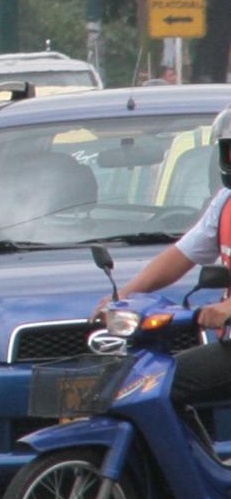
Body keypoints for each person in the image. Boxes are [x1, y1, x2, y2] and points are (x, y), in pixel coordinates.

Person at [94, 106, 231, 405]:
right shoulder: (225, 203)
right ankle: (186, 453)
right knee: (154, 384)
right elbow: (180, 255)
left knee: (166, 384)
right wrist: (124, 296)